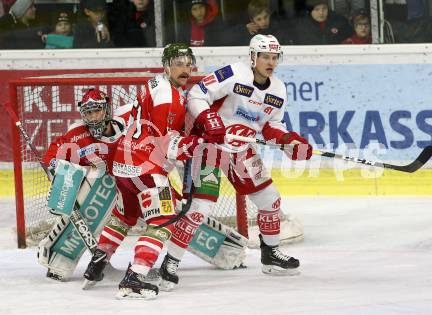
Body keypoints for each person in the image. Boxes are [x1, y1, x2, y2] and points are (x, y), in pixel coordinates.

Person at [158, 34, 313, 291]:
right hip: (207, 145)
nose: (270, 62)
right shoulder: (234, 73)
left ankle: (271, 254)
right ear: (253, 56)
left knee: (270, 200)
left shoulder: (279, 89)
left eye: (274, 57)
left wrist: (289, 141)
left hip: (241, 149)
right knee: (200, 209)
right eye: (265, 56)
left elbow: (272, 125)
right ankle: (170, 263)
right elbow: (197, 94)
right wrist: (211, 120)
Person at [83, 43, 205, 300]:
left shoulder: (156, 84)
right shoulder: (169, 99)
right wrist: (190, 144)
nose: (185, 68)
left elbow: (134, 116)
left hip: (123, 163)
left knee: (124, 216)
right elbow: (163, 144)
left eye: (188, 63)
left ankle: (97, 263)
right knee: (162, 220)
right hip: (145, 168)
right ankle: (136, 276)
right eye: (178, 63)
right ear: (166, 66)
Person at [39, 89, 131, 281]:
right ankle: (59, 259)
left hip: (130, 183)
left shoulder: (125, 124)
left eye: (96, 111)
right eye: (88, 112)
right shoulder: (76, 132)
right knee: (92, 202)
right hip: (102, 189)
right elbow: (52, 157)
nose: (92, 116)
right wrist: (57, 169)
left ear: (106, 110)